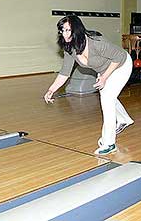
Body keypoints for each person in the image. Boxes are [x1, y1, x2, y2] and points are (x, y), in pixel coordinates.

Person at [43, 15, 134, 155]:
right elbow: (65, 72)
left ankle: (109, 143)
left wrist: (104, 77)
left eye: (68, 30)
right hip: (104, 69)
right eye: (62, 30)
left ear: (77, 29)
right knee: (107, 96)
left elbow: (119, 57)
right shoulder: (70, 48)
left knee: (107, 98)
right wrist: (51, 90)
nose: (65, 34)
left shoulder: (95, 42)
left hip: (121, 64)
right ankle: (123, 119)